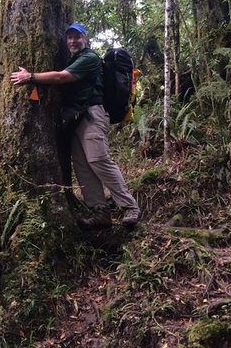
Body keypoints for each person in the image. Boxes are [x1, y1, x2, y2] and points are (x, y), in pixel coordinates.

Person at [10, 23, 140, 228]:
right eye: (69, 37)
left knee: (98, 159)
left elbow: (63, 77)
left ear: (85, 38)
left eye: (77, 37)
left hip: (93, 114)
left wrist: (31, 77)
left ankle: (130, 206)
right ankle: (100, 212)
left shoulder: (89, 58)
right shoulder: (74, 59)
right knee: (82, 166)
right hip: (76, 119)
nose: (73, 41)